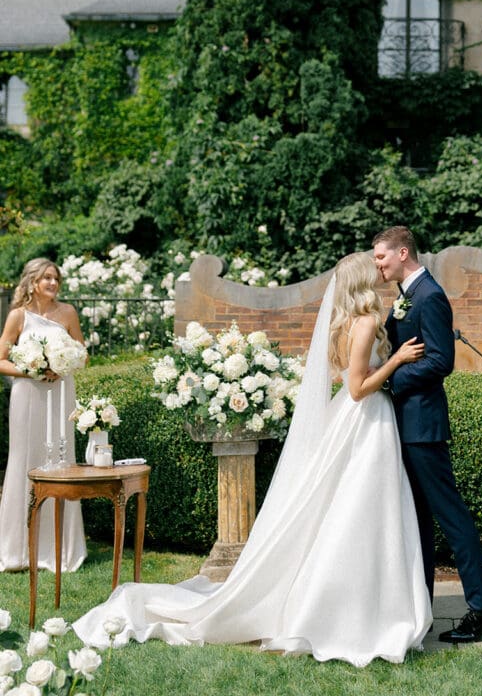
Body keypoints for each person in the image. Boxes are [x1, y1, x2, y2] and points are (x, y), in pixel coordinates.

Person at [74, 252, 432, 666]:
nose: (379, 271)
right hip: (364, 419)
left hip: (354, 421)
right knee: (361, 510)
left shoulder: (346, 322)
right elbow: (356, 387)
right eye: (372, 269)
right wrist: (396, 360)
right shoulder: (366, 322)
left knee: (346, 510)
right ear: (361, 282)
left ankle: (355, 603)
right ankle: (358, 611)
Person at [372, 225, 482, 643]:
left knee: (451, 516)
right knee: (419, 520)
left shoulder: (430, 296)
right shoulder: (405, 296)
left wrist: (391, 379)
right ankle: (420, 605)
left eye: (382, 257)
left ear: (403, 252)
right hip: (406, 423)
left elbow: (440, 361)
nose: (378, 264)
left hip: (422, 425)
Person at [0, 258, 87, 572]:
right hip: (27, 395)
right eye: (46, 278)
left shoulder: (68, 313)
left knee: (62, 461)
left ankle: (60, 548)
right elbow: (1, 360)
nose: (52, 283)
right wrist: (30, 369)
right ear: (32, 282)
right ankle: (17, 549)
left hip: (61, 393)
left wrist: (63, 363)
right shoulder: (17, 316)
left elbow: (82, 352)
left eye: (56, 278)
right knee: (25, 461)